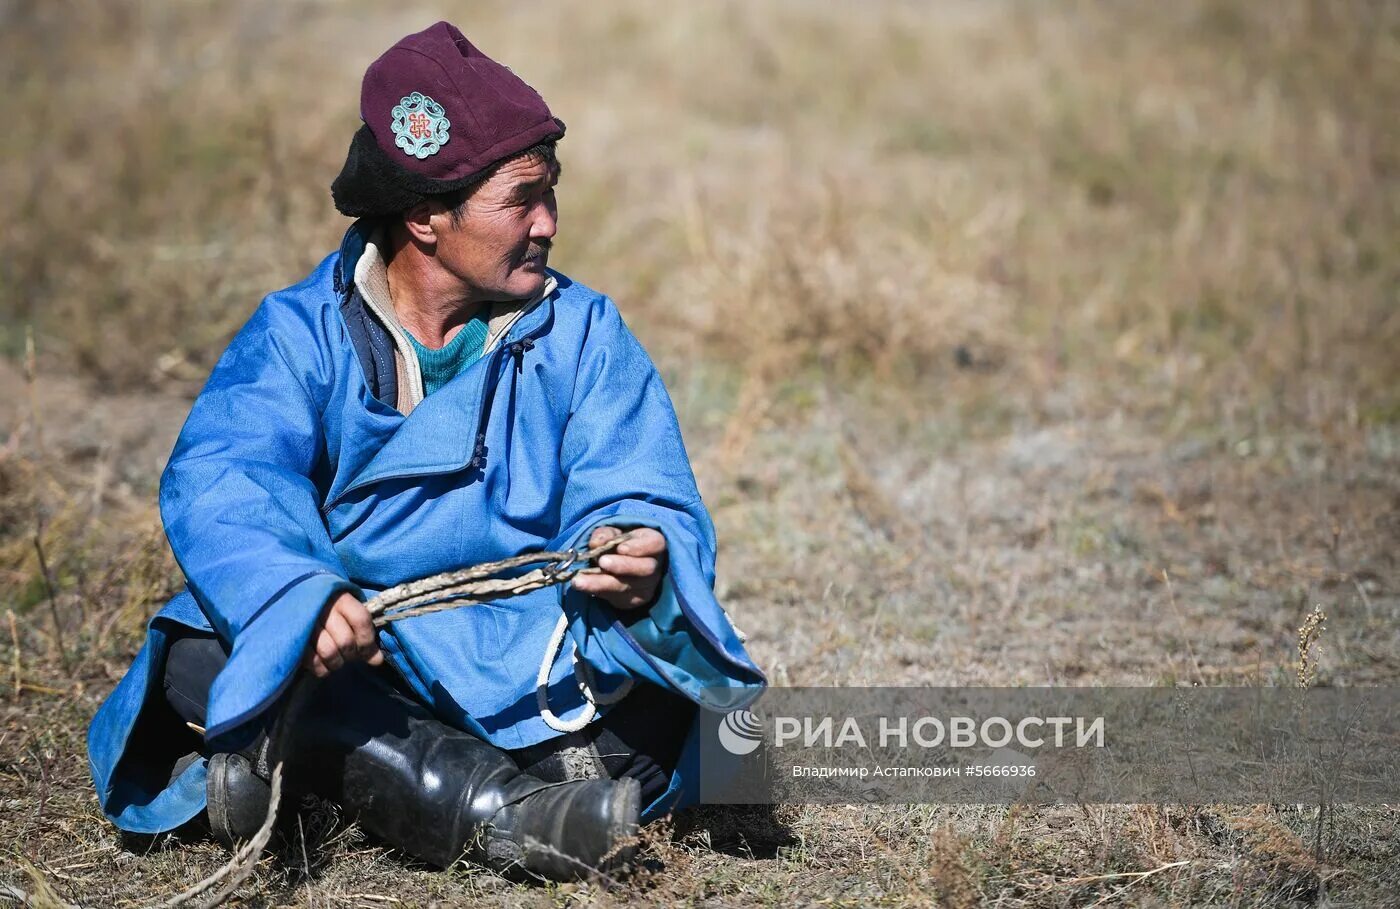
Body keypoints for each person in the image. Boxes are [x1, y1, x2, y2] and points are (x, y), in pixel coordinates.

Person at [86, 21, 765, 881]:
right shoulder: (300, 335)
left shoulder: (583, 331)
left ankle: (325, 771)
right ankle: (511, 811)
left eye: (551, 194)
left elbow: (639, 480)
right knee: (202, 648)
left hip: (526, 651)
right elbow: (225, 475)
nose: (549, 223)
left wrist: (636, 546)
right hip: (365, 648)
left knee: (682, 711)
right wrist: (302, 593)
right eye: (521, 200)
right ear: (424, 218)